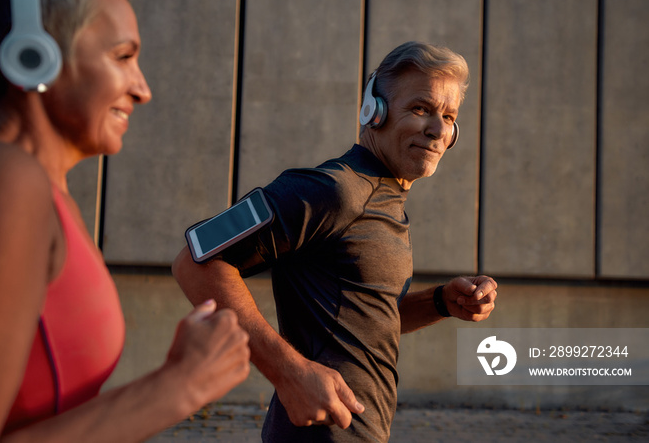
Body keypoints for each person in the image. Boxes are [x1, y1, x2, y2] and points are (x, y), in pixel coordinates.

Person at [0, 0, 250, 441]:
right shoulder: (4, 181)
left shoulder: (44, 194)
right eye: (123, 56)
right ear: (33, 55)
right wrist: (182, 385)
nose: (143, 89)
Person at [172, 41, 498, 442]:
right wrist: (288, 371)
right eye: (420, 109)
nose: (437, 129)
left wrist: (440, 302)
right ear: (373, 110)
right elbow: (194, 260)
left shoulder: (385, 199)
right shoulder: (334, 189)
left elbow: (362, 321)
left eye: (449, 117)